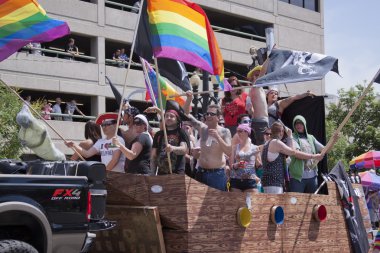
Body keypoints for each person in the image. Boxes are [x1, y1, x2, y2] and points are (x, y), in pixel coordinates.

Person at [184, 91, 232, 191]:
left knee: (215, 204)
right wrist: (189, 99)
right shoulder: (202, 128)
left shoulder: (224, 132)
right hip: (200, 172)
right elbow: (186, 113)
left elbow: (229, 152)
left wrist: (218, 137)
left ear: (218, 117)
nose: (208, 116)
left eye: (212, 114)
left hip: (216, 174)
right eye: (207, 113)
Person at [261, 122, 323, 194]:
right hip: (274, 183)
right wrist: (290, 136)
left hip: (269, 182)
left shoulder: (267, 143)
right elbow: (293, 152)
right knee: (275, 205)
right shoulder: (276, 142)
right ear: (281, 132)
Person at [288, 115, 325, 193]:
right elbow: (296, 153)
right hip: (297, 178)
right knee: (296, 203)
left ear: (304, 125)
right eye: (296, 123)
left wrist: (334, 140)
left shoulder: (311, 138)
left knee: (312, 203)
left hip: (312, 177)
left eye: (301, 123)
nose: (298, 125)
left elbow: (324, 149)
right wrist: (313, 156)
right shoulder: (292, 138)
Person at [151, 109, 189, 175]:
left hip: (176, 174)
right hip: (161, 174)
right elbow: (154, 156)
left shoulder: (181, 132)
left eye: (172, 116)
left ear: (177, 120)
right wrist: (152, 174)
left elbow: (184, 149)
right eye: (166, 116)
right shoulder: (158, 134)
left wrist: (172, 148)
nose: (168, 118)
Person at [229, 124, 260, 192]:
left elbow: (259, 165)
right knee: (237, 202)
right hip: (236, 180)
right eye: (237, 131)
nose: (238, 133)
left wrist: (256, 157)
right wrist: (236, 165)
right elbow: (231, 166)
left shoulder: (255, 148)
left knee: (250, 202)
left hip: (250, 180)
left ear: (247, 132)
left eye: (240, 131)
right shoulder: (234, 147)